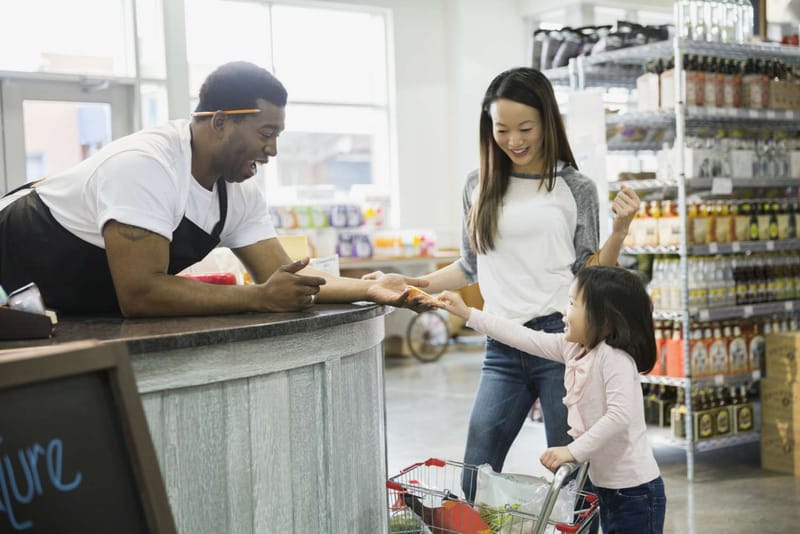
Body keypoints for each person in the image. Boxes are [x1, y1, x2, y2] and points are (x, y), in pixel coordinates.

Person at [364, 67, 639, 497]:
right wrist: (413, 281)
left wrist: (619, 232)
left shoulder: (574, 186)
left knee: (572, 480)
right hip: (501, 343)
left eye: (525, 128)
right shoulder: (479, 185)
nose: (513, 140)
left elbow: (591, 273)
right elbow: (470, 267)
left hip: (561, 343)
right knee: (476, 468)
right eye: (502, 129)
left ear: (547, 122)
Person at [0, 61, 430, 317]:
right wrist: (260, 299)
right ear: (221, 122)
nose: (273, 150)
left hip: (56, 303)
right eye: (266, 132)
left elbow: (287, 276)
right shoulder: (145, 166)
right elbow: (140, 293)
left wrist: (373, 288)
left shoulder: (238, 192)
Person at [436, 266, 666, 534]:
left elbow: (619, 416)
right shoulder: (573, 348)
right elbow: (523, 336)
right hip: (608, 488)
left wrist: (572, 450)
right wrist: (468, 313)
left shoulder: (614, 359)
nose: (563, 312)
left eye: (571, 304)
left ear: (604, 318)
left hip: (635, 492)